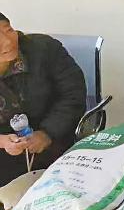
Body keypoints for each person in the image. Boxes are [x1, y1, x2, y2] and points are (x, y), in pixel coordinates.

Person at [0, 12, 86, 187]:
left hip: (50, 141)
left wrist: (47, 133)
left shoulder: (44, 50)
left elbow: (73, 94)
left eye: (8, 30)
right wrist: (2, 141)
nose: (8, 41)